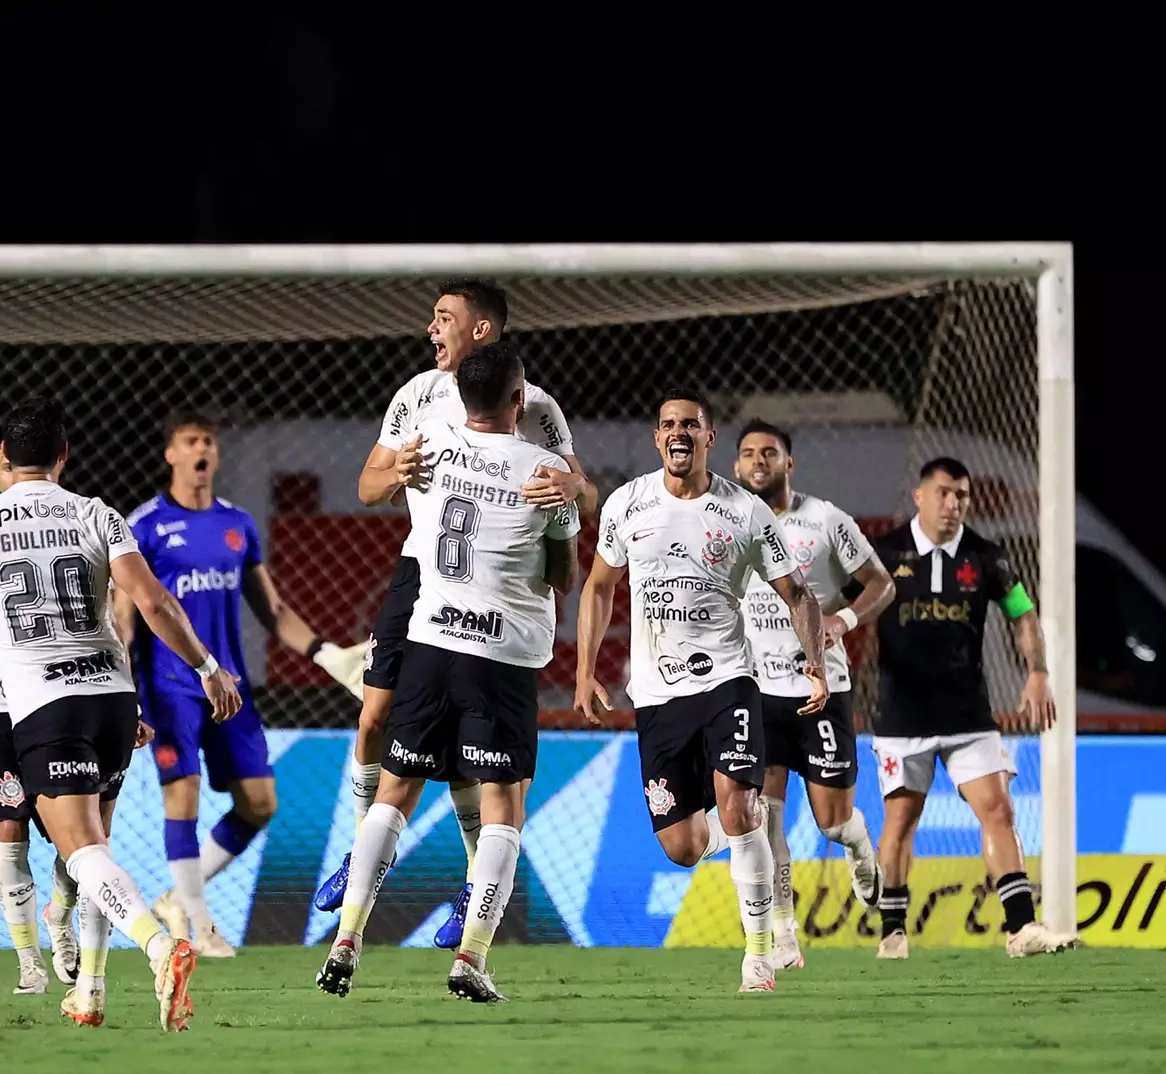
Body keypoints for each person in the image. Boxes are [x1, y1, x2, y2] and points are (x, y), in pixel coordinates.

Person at [314, 278, 597, 954]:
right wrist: (397, 475)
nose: (430, 328)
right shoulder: (414, 396)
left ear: (481, 331)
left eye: (443, 317)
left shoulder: (536, 407)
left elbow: (580, 494)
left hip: (501, 589)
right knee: (374, 718)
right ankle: (364, 855)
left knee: (477, 758)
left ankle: (476, 882)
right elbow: (368, 483)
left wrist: (573, 489)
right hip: (423, 572)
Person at [0, 398, 242, 1030]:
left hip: (47, 702)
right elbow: (149, 598)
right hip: (115, 702)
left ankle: (156, 944)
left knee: (83, 852)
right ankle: (88, 991)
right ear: (64, 456)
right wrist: (207, 668)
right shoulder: (98, 514)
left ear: (3, 461)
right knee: (101, 846)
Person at [575, 392, 826, 995]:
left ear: (710, 438)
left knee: (738, 806)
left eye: (690, 424)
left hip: (728, 679)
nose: (678, 432)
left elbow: (797, 594)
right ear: (656, 438)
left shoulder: (745, 512)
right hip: (657, 695)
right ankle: (750, 831)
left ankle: (759, 955)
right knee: (682, 846)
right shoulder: (627, 504)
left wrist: (814, 663)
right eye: (667, 425)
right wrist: (586, 669)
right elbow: (599, 587)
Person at [113, 406, 364, 957]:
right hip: (170, 685)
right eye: (189, 440)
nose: (201, 450)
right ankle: (198, 927)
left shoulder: (237, 525)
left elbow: (273, 610)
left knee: (260, 803)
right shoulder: (144, 526)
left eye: (208, 441)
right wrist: (129, 691)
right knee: (183, 795)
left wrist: (327, 653)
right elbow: (125, 616)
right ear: (170, 453)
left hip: (229, 687)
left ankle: (178, 901)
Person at [0, 441, 156, 1006]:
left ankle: (62, 920)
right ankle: (31, 963)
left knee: (80, 842)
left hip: (53, 692)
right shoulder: (2, 531)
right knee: (9, 830)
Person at [863, 456, 1072, 958]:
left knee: (998, 810)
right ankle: (893, 930)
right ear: (919, 496)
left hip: (967, 716)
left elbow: (1022, 613)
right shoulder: (884, 554)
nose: (953, 504)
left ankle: (1020, 928)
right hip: (901, 716)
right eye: (943, 493)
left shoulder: (987, 557)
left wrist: (1038, 672)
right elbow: (843, 609)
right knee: (900, 821)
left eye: (961, 495)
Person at [732, 421, 895, 968]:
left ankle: (857, 841)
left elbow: (881, 583)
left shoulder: (825, 520)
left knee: (830, 821)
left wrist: (843, 619)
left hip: (822, 687)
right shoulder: (727, 520)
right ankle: (783, 934)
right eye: (749, 453)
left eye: (769, 453)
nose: (759, 461)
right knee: (765, 816)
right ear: (735, 466)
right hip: (757, 690)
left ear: (788, 463)